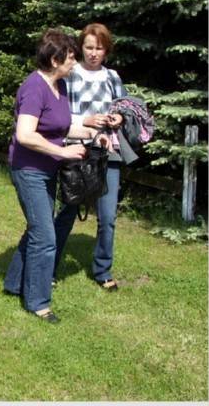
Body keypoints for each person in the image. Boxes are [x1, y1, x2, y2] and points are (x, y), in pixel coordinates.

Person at [3, 29, 110, 324]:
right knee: (45, 237)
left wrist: (93, 134)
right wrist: (63, 152)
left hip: (47, 169)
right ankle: (38, 302)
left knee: (38, 229)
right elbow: (25, 134)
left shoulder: (58, 85)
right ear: (54, 60)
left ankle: (14, 283)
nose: (75, 62)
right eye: (71, 57)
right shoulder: (34, 88)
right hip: (28, 170)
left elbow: (61, 126)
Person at [53, 23, 126, 292]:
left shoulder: (112, 77)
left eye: (99, 48)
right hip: (76, 151)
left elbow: (125, 108)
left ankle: (103, 270)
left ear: (107, 50)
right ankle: (50, 267)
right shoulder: (70, 75)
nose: (94, 53)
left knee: (107, 217)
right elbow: (58, 115)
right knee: (67, 212)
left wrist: (118, 118)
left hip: (107, 153)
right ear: (81, 47)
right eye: (89, 47)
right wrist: (86, 120)